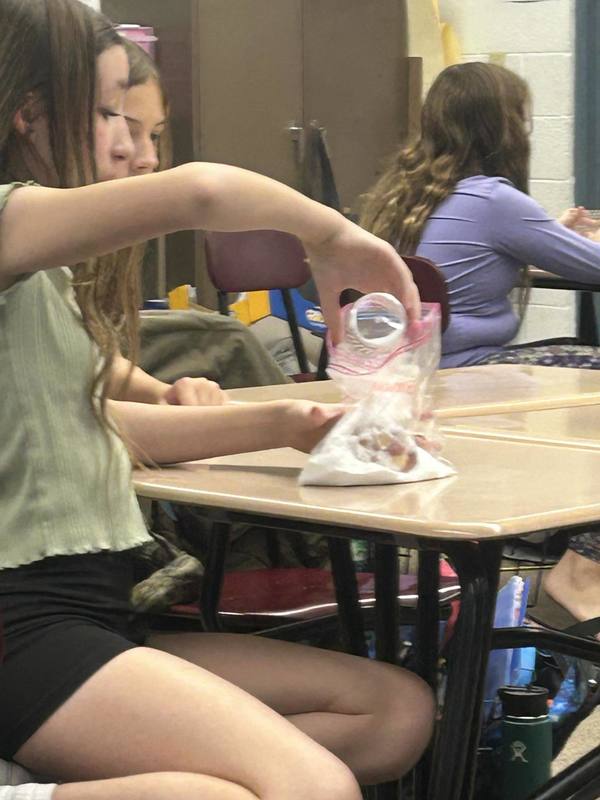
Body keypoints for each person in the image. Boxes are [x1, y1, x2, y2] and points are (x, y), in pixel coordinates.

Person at [0, 3, 433, 800]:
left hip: (97, 607)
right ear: (29, 114)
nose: (130, 144)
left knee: (393, 714)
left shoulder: (46, 276)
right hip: (19, 628)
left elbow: (91, 421)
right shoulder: (9, 225)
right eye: (104, 114)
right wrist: (335, 236)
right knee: (307, 785)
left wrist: (282, 420)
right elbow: (199, 192)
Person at [360, 61, 600, 636]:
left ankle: (573, 538)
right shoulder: (495, 200)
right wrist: (566, 239)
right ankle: (584, 568)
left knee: (578, 357)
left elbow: (473, 256)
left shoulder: (402, 194)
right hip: (461, 376)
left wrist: (550, 234)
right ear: (503, 130)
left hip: (400, 377)